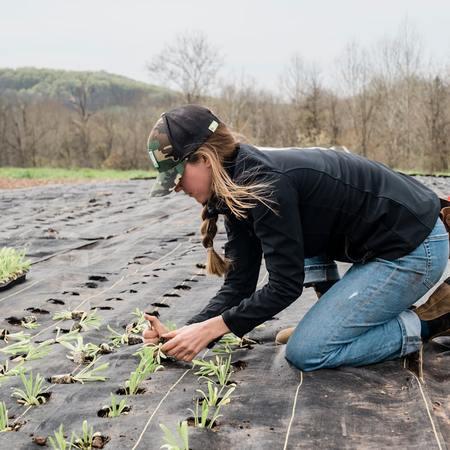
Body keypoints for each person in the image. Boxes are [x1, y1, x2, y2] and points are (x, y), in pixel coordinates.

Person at [142, 104, 450, 372]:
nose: (178, 188)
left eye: (178, 177)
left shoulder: (264, 186)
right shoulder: (236, 187)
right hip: (386, 240)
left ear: (204, 159)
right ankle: (333, 318)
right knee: (299, 256)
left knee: (308, 351)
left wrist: (212, 328)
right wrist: (185, 333)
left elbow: (284, 286)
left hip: (414, 248)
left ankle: (430, 321)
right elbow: (239, 285)